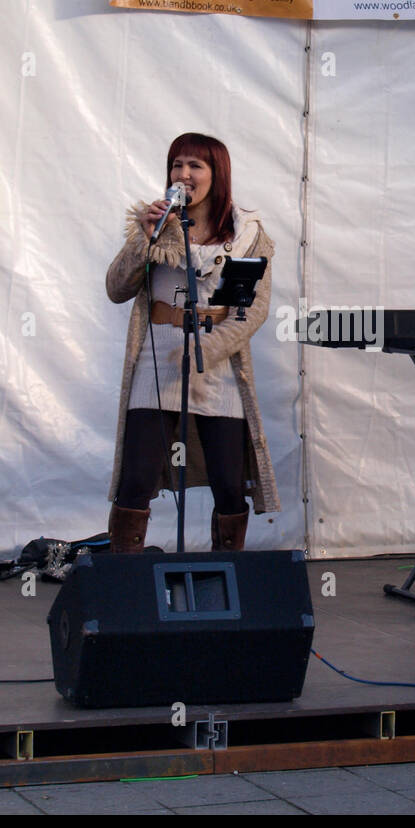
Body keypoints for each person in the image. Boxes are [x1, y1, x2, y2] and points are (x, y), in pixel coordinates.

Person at [105, 132, 279, 552]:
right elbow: (116, 288)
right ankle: (122, 581)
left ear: (216, 175)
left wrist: (206, 351)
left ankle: (226, 575)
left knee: (228, 479)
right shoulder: (155, 225)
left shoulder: (245, 234)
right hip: (157, 356)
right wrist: (145, 239)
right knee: (138, 476)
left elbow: (250, 311)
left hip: (217, 362)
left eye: (195, 166)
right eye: (177, 165)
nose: (183, 174)